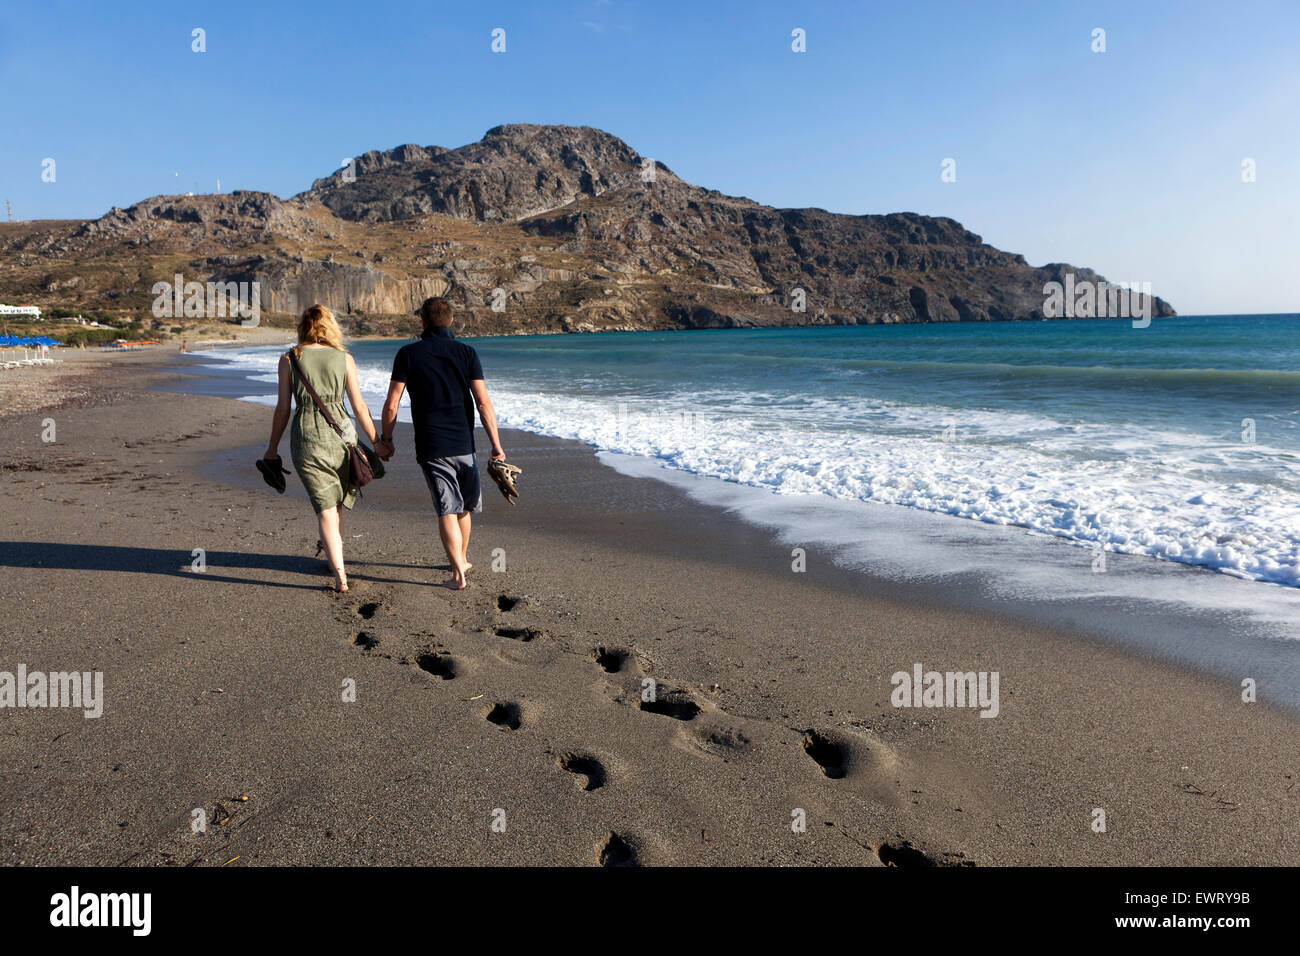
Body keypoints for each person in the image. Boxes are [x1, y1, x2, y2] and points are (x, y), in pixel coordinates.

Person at [379, 297, 505, 590]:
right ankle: (460, 560)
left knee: (447, 507)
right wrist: (496, 445)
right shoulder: (467, 353)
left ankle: (458, 573)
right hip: (465, 444)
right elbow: (484, 403)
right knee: (464, 507)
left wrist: (386, 439)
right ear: (451, 321)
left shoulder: (407, 354)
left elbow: (391, 403)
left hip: (433, 446)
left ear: (422, 322)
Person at [262, 304, 383, 592]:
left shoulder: (290, 358)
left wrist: (271, 449)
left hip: (307, 439)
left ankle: (339, 575)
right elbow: (359, 406)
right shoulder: (344, 358)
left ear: (302, 327)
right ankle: (336, 563)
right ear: (329, 326)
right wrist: (377, 441)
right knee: (336, 504)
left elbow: (282, 409)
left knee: (326, 508)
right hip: (343, 436)